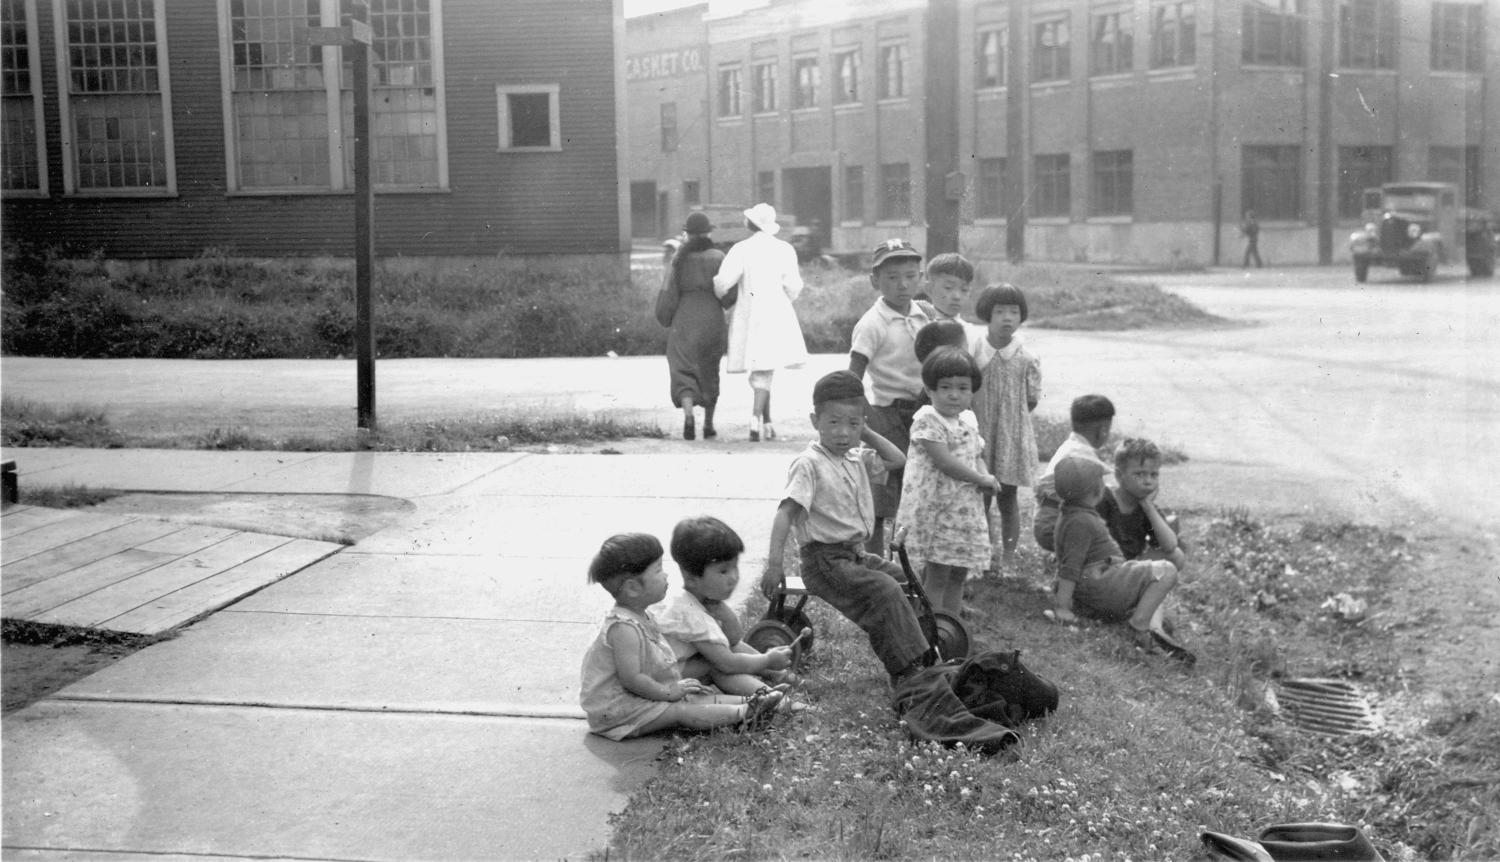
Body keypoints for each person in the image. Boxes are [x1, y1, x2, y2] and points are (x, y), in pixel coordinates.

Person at [761, 370, 933, 688]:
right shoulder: (809, 464)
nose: (843, 433)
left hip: (853, 556)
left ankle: (921, 652)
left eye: (852, 424)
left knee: (906, 581)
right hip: (824, 561)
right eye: (834, 422)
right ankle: (906, 669)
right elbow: (785, 514)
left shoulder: (855, 458)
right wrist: (774, 565)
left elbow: (897, 458)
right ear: (816, 421)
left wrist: (864, 431)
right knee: (885, 592)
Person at [579, 533, 785, 739]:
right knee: (680, 711)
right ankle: (747, 712)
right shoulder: (623, 629)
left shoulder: (642, 616)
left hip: (636, 697)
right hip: (617, 710)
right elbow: (632, 679)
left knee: (695, 699)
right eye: (658, 570)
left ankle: (763, 700)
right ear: (633, 587)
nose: (666, 576)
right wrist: (669, 692)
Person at [1049, 457, 1194, 662]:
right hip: (1100, 583)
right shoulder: (1082, 522)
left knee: (1149, 582)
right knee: (1167, 570)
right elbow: (1071, 565)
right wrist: (1062, 607)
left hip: (1098, 583)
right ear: (1095, 491)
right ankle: (1139, 626)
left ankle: (1154, 627)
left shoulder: (1071, 514)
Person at [894, 347, 999, 617]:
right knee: (938, 572)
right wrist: (980, 477)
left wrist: (985, 476)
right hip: (937, 512)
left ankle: (950, 627)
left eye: (963, 388)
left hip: (964, 512)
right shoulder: (928, 420)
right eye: (945, 387)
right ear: (930, 390)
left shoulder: (968, 419)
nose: (954, 394)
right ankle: (930, 628)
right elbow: (945, 462)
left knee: (958, 574)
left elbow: (976, 455)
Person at [849, 239, 934, 551]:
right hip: (886, 413)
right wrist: (865, 420)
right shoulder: (872, 323)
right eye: (893, 277)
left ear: (921, 277)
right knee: (882, 489)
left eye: (911, 276)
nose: (903, 284)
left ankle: (911, 559)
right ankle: (877, 561)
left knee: (917, 486)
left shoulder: (925, 315)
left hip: (923, 411)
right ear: (875, 280)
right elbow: (852, 376)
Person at [656, 515, 797, 696]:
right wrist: (767, 659)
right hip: (666, 680)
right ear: (691, 577)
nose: (733, 577)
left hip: (682, 667)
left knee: (727, 651)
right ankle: (774, 700)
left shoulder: (701, 598)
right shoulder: (688, 613)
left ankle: (780, 675)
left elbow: (733, 638)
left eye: (734, 567)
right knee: (718, 666)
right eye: (723, 571)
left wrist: (720, 608)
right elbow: (728, 663)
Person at [713, 203, 808, 442]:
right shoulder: (784, 249)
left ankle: (756, 420)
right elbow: (795, 285)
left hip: (750, 311)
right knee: (766, 366)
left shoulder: (741, 249)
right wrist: (785, 300)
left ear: (749, 224)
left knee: (761, 367)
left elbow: (724, 281)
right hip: (777, 310)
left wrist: (719, 294)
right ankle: (765, 422)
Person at [969, 283, 1041, 571]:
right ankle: (982, 555)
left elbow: (1032, 397)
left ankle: (1009, 558)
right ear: (988, 313)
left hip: (1011, 436)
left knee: (1008, 497)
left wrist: (1011, 419)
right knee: (981, 497)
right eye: (1000, 311)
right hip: (980, 435)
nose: (1007, 318)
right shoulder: (975, 350)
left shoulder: (1025, 355)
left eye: (1014, 311)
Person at [659, 212, 726, 441]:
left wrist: (665, 317)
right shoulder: (719, 257)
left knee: (682, 368)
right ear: (708, 232)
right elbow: (728, 294)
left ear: (686, 234)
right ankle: (708, 424)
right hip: (712, 318)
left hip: (685, 319)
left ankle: (689, 416)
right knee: (710, 368)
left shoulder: (678, 259)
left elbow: (668, 293)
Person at [1033, 394, 1115, 554]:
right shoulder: (1083, 456)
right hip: (1054, 525)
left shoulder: (1070, 445)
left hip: (1045, 522)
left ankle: (1063, 559)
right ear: (1103, 430)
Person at [1097, 437, 1187, 569]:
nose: (1148, 481)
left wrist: (1148, 507)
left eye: (1154, 475)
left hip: (1129, 566)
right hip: (1104, 564)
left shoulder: (1146, 508)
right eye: (1140, 474)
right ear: (1119, 475)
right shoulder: (1105, 500)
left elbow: (1170, 546)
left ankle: (1139, 588)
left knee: (1176, 556)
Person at [923, 252, 976, 323]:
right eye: (948, 288)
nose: (957, 297)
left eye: (964, 290)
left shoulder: (970, 331)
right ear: (929, 289)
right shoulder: (917, 326)